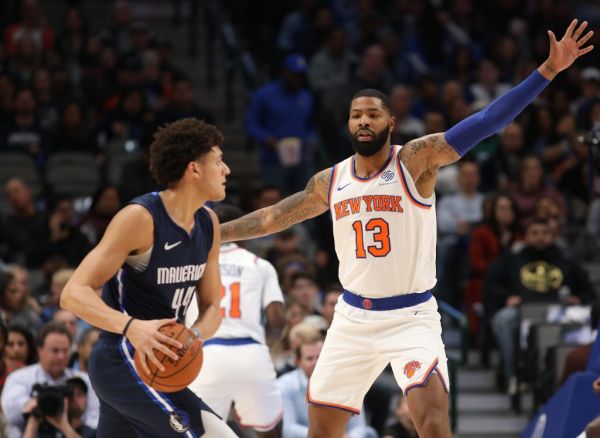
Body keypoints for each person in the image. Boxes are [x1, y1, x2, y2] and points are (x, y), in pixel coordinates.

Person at [220, 20, 594, 437]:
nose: (363, 121)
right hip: (351, 318)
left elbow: (487, 121)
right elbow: (272, 218)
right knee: (321, 429)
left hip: (410, 316)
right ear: (348, 123)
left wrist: (546, 73)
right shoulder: (330, 181)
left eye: (373, 114)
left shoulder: (416, 160)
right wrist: (215, 235)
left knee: (432, 422)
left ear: (391, 122)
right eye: (356, 115)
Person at [59, 118, 237, 436]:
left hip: (159, 365)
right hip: (124, 358)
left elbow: (212, 306)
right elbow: (73, 293)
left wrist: (192, 338)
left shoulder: (209, 222)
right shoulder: (140, 218)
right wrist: (133, 327)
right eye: (219, 161)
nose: (227, 170)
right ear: (194, 169)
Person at [185, 204, 285, 437]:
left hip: (204, 354)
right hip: (250, 350)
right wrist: (260, 350)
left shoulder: (191, 263)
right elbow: (278, 321)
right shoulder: (259, 265)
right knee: (270, 431)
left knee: (200, 433)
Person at [1, 323, 99, 438]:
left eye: (65, 351)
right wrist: (38, 405)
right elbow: (11, 415)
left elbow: (95, 419)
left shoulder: (84, 380)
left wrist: (72, 414)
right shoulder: (19, 378)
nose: (61, 357)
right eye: (55, 351)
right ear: (39, 350)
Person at [277, 336, 376, 438]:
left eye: (320, 357)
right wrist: (326, 435)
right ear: (298, 361)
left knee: (370, 433)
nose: (316, 363)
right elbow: (288, 430)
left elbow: (358, 427)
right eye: (309, 358)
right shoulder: (284, 385)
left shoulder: (346, 381)